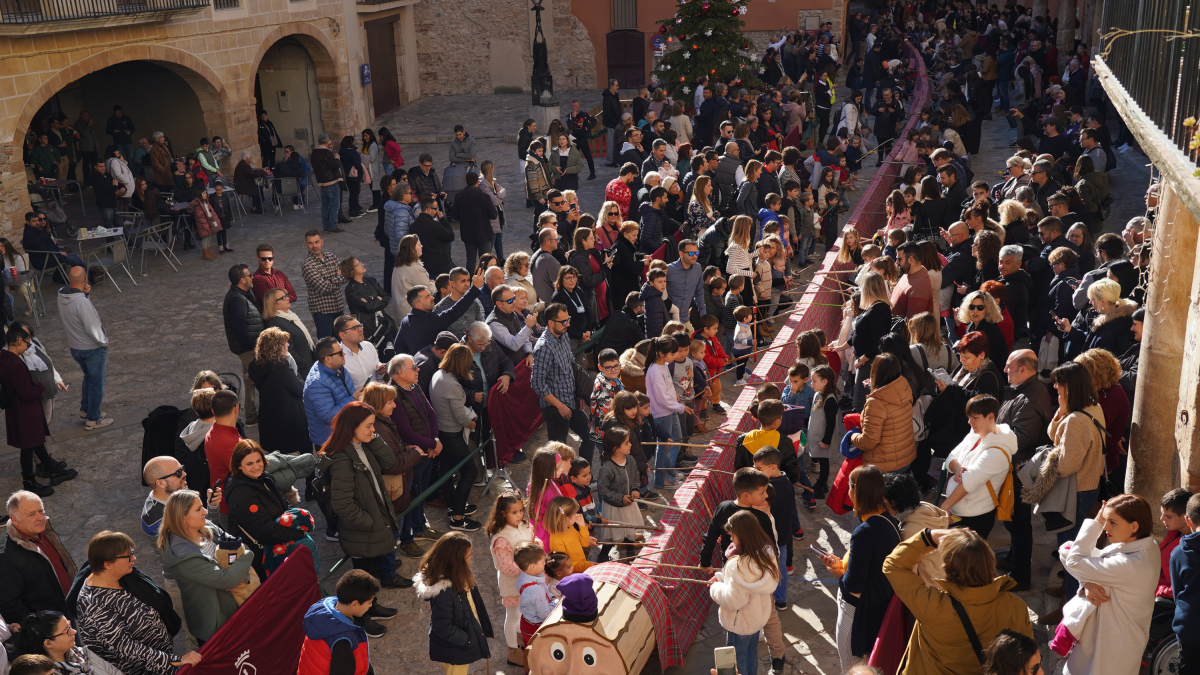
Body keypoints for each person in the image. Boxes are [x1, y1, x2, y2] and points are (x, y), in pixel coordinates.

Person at [883, 528, 1033, 675]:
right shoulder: (1016, 606)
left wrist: (929, 536)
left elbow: (894, 565)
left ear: (948, 568)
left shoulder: (932, 605)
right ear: (990, 561)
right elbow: (1028, 655)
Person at [75, 531, 202, 675]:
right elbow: (125, 648)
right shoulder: (93, 605)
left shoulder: (123, 575)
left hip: (161, 662)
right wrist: (173, 660)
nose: (134, 558)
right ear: (108, 564)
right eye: (128, 555)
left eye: (132, 553)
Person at [319, 402, 403, 618]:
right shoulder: (342, 460)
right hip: (363, 531)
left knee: (371, 576)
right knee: (364, 578)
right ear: (352, 426)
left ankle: (371, 608)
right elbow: (342, 504)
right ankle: (363, 619)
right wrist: (369, 523)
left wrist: (373, 438)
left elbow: (389, 461)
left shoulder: (363, 445)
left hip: (372, 525)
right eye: (368, 426)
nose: (373, 430)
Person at [1058, 495, 1158, 675]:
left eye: (1112, 522)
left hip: (1113, 647)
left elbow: (1073, 559)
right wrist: (1087, 582)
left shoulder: (1128, 564)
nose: (1105, 527)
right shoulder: (1148, 546)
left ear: (1134, 526)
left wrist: (1095, 522)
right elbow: (1069, 552)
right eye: (1104, 520)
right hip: (1111, 638)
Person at [814, 465, 901, 670]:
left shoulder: (864, 531)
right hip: (879, 606)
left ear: (856, 490)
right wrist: (843, 565)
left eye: (849, 486)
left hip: (858, 612)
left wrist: (837, 572)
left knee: (852, 667)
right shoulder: (889, 520)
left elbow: (853, 586)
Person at [157, 490, 255, 643]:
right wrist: (247, 556)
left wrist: (239, 572)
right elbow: (227, 580)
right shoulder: (183, 556)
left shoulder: (206, 526)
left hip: (236, 608)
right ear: (182, 517)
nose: (205, 512)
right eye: (198, 509)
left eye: (202, 506)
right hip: (216, 625)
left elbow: (238, 546)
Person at [1, 329, 77, 496]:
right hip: (25, 412)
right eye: (27, 343)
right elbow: (27, 394)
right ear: (19, 341)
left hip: (17, 410)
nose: (28, 347)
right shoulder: (15, 365)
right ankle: (29, 482)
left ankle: (50, 468)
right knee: (28, 447)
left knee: (35, 442)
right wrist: (40, 386)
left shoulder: (4, 357)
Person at [709, 510, 779, 675]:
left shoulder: (738, 566)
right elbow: (744, 585)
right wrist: (722, 577)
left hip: (739, 622)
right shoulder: (766, 554)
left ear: (742, 535)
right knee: (751, 654)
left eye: (733, 536)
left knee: (736, 661)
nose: (731, 540)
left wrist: (715, 588)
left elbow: (734, 600)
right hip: (756, 618)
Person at [414, 531, 494, 674]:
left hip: (461, 642)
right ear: (456, 561)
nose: (470, 559)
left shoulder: (459, 574)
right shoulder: (444, 593)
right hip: (455, 649)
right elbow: (442, 627)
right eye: (467, 556)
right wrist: (467, 639)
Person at [941, 395, 1016, 538]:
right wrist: (958, 468)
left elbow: (968, 483)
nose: (969, 422)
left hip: (975, 517)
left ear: (990, 417)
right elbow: (951, 456)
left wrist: (945, 506)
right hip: (959, 511)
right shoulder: (974, 434)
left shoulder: (997, 452)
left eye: (975, 417)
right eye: (969, 417)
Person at [532, 303, 596, 463]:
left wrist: (579, 395)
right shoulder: (544, 347)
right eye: (564, 322)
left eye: (568, 320)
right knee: (557, 454)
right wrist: (560, 406)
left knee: (590, 436)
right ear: (551, 322)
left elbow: (571, 366)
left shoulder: (564, 335)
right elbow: (537, 383)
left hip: (571, 401)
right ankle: (559, 479)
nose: (568, 324)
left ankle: (582, 474)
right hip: (555, 409)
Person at [0, 491, 77, 621]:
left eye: (41, 511)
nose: (41, 518)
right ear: (14, 520)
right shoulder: (6, 556)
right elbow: (8, 603)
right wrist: (41, 626)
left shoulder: (41, 530)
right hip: (50, 625)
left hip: (67, 611)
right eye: (32, 514)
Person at [429, 343, 481, 530]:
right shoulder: (452, 385)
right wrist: (472, 424)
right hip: (452, 434)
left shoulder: (438, 374)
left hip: (441, 431)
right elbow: (460, 417)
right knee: (470, 472)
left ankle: (453, 506)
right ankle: (458, 518)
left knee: (447, 471)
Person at [393, 269, 485, 356]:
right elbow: (455, 311)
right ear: (418, 305)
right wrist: (474, 289)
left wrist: (413, 360)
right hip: (433, 364)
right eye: (427, 297)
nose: (432, 298)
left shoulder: (405, 321)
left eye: (430, 295)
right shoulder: (430, 321)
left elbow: (399, 348)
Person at [247, 327, 308, 454]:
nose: (288, 345)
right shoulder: (283, 370)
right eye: (284, 343)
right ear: (276, 348)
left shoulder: (256, 365)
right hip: (289, 421)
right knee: (304, 455)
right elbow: (301, 390)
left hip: (269, 418)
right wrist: (292, 366)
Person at [297, 568, 382, 659]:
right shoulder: (344, 640)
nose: (371, 605)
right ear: (354, 604)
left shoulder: (321, 607)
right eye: (369, 602)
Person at [15, 610, 123, 675]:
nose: (74, 631)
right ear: (48, 643)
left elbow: (116, 673)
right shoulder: (47, 672)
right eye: (67, 630)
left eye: (70, 625)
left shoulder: (81, 653)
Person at [222, 263, 263, 425]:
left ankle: (251, 415)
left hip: (248, 347)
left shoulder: (242, 294)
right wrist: (251, 347)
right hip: (248, 349)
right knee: (261, 378)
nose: (252, 277)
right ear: (242, 280)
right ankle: (262, 413)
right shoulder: (237, 299)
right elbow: (239, 328)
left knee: (250, 380)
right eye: (249, 275)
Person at [304, 337, 359, 451]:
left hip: (345, 433)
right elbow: (328, 417)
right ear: (328, 359)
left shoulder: (338, 367)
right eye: (340, 352)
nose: (344, 353)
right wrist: (353, 399)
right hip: (331, 442)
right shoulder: (317, 383)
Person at [301, 231, 347, 339]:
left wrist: (330, 281)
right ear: (306, 244)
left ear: (322, 242)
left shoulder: (332, 256)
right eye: (310, 243)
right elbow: (323, 288)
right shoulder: (307, 265)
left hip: (338, 306)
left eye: (317, 242)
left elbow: (345, 276)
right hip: (322, 311)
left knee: (343, 341)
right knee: (327, 344)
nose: (314, 246)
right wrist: (337, 279)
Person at [262, 288, 315, 377]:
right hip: (301, 370)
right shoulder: (277, 323)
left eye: (286, 296)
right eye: (282, 298)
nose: (287, 298)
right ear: (274, 304)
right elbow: (287, 350)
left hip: (308, 363)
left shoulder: (290, 317)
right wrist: (303, 362)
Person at [410, 195, 456, 278]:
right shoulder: (434, 225)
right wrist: (443, 219)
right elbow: (450, 236)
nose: (437, 211)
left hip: (423, 264)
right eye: (435, 208)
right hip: (439, 265)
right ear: (428, 209)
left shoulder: (413, 226)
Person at [310, 134, 345, 232]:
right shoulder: (326, 152)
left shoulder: (314, 152)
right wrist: (337, 158)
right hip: (331, 181)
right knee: (334, 205)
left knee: (325, 205)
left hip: (322, 182)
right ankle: (332, 226)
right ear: (326, 141)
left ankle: (326, 226)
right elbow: (335, 165)